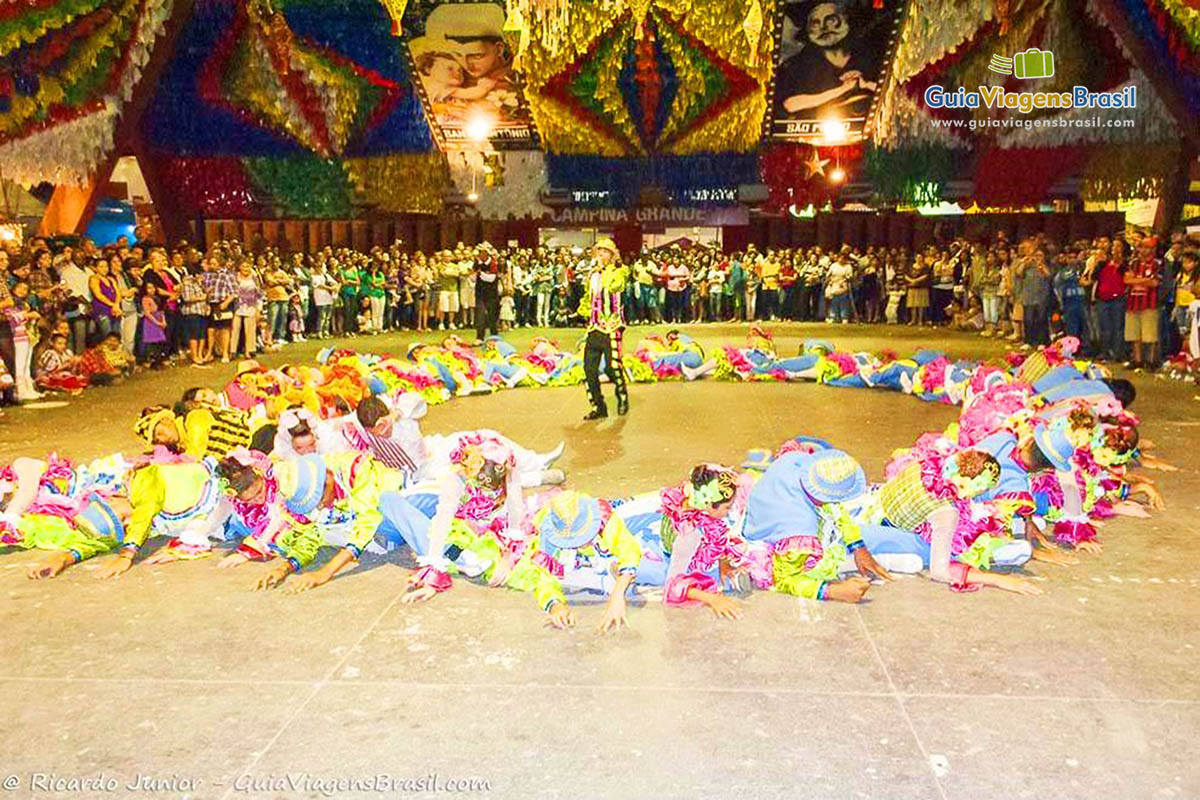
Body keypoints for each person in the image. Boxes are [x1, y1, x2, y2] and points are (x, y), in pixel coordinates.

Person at [579, 238, 630, 420]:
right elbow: (588, 298)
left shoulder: (620, 272)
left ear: (612, 255)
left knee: (613, 367)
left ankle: (622, 396)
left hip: (612, 327)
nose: (600, 255)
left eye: (604, 252)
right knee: (589, 370)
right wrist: (583, 313)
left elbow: (613, 285)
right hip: (594, 328)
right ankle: (598, 406)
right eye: (598, 252)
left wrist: (603, 269)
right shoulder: (592, 275)